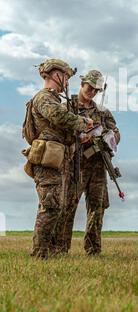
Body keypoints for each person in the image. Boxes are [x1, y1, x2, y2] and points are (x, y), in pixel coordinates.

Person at [24, 59, 93, 259]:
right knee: (51, 206)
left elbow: (60, 127)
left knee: (58, 206)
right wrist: (83, 122)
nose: (67, 81)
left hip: (57, 159)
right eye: (66, 77)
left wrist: (79, 135)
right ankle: (39, 255)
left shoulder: (53, 99)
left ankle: (50, 252)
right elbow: (58, 117)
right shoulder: (44, 98)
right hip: (47, 160)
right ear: (57, 75)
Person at [60, 70, 120, 255]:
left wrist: (110, 137)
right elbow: (59, 132)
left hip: (98, 166)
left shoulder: (103, 112)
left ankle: (93, 250)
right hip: (75, 164)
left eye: (96, 90)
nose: (92, 92)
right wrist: (79, 136)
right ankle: (61, 249)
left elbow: (117, 133)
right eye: (90, 87)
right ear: (82, 83)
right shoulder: (67, 107)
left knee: (98, 208)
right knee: (68, 207)